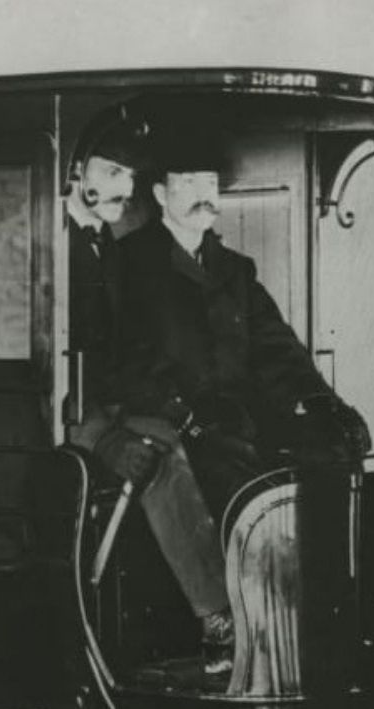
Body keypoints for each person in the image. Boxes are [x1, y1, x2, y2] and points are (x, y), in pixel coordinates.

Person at [111, 124, 373, 523]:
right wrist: (188, 419)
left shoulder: (233, 269)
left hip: (245, 417)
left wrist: (324, 405)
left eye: (211, 182)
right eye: (189, 182)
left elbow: (278, 348)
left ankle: (331, 582)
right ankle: (252, 583)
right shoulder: (129, 265)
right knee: (236, 477)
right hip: (183, 425)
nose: (204, 194)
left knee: (335, 449)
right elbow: (128, 363)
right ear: (161, 194)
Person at [62, 116, 237, 678]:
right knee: (159, 455)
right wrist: (102, 436)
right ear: (74, 172)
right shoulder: (47, 245)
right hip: (64, 414)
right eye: (111, 172)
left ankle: (224, 615)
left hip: (106, 403)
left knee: (183, 438)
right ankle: (217, 619)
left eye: (129, 176)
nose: (123, 188)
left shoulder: (103, 246)